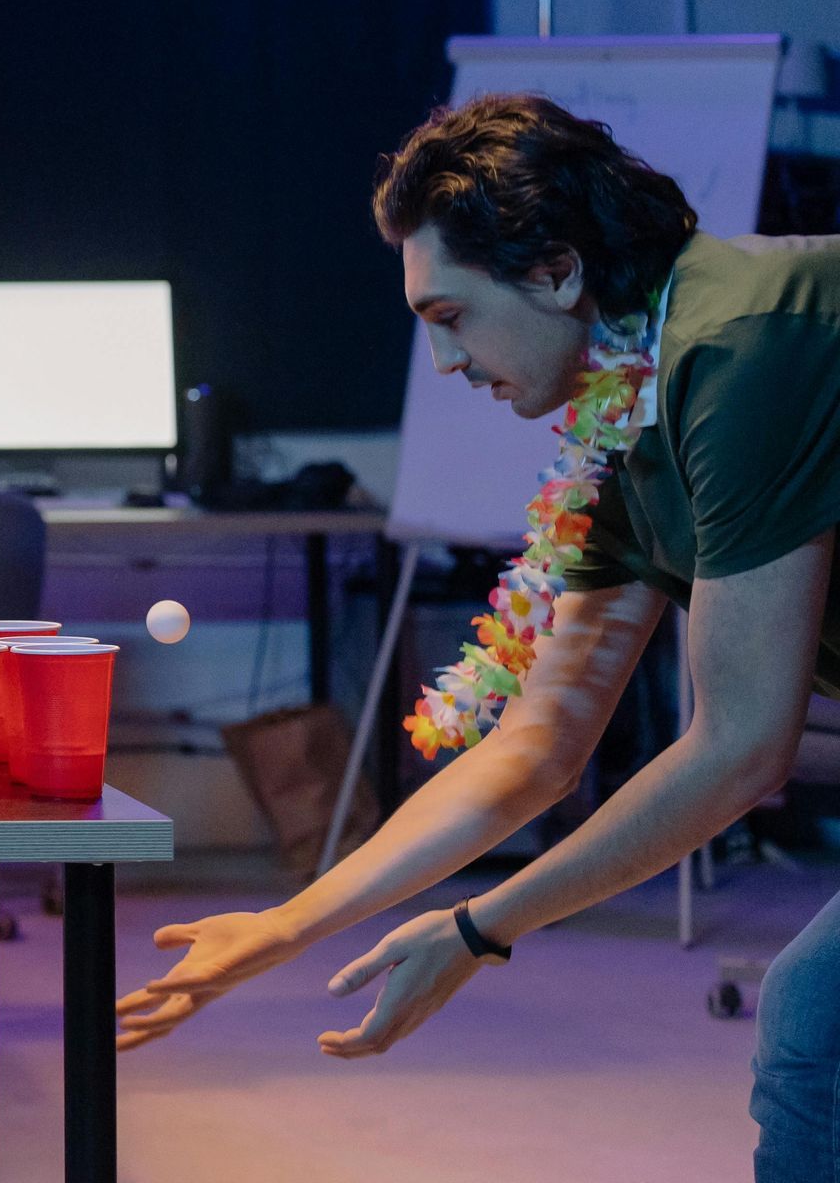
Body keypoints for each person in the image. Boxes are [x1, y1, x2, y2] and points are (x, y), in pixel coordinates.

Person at [114, 92, 840, 1181]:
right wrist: (290, 922)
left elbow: (741, 745)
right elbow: (536, 748)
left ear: (555, 271)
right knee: (817, 1033)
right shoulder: (625, 407)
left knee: (816, 1036)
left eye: (450, 315)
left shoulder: (737, 348)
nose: (445, 361)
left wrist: (479, 926)